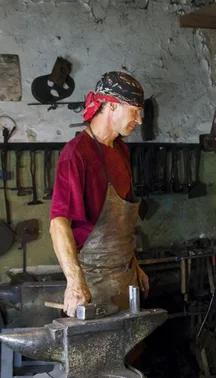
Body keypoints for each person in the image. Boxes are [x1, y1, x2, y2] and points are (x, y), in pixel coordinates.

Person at [49, 71, 149, 317]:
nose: (139, 120)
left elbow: (119, 224)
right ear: (112, 106)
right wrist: (74, 282)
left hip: (126, 277)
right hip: (93, 283)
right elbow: (58, 223)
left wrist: (134, 265)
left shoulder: (121, 151)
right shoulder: (76, 155)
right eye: (135, 111)